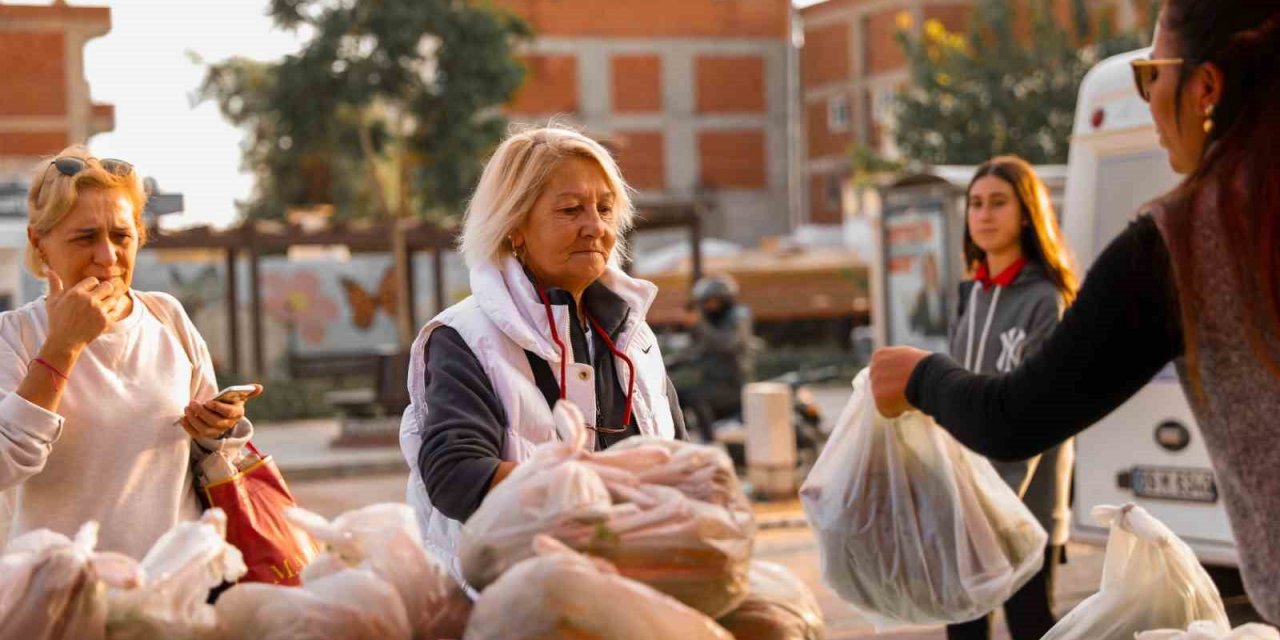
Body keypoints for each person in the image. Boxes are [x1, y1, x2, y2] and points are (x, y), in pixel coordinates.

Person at [870, 0, 1280, 623]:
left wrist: (920, 375)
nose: (1147, 101)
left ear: (1205, 87)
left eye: (1151, 75)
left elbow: (1019, 416)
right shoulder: (973, 293)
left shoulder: (1185, 244)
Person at [400, 126, 688, 577]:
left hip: (634, 586)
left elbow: (678, 460)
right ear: (514, 226)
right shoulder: (464, 337)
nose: (595, 227)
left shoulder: (636, 337)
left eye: (606, 209)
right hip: (515, 596)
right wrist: (592, 486)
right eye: (571, 209)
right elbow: (456, 476)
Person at [0, 147, 259, 557]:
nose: (108, 257)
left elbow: (214, 457)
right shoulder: (14, 335)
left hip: (173, 589)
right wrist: (63, 347)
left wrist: (217, 429)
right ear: (40, 242)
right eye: (85, 238)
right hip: (60, 598)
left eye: (121, 236)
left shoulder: (166, 316)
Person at [944, 156, 1079, 640]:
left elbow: (1040, 412)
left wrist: (996, 504)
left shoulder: (1047, 299)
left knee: (1032, 627)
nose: (983, 214)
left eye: (998, 202)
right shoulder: (971, 294)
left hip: (1024, 510)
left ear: (1027, 213)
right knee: (963, 630)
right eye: (975, 204)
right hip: (967, 504)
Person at [671, 274, 754, 443]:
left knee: (697, 397)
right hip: (712, 383)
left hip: (732, 385)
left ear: (725, 300)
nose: (707, 307)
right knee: (674, 395)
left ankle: (709, 442)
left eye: (711, 301)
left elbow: (727, 344)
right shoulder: (710, 323)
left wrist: (699, 325)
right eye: (704, 302)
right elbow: (696, 351)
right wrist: (670, 363)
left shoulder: (738, 316)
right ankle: (679, 440)